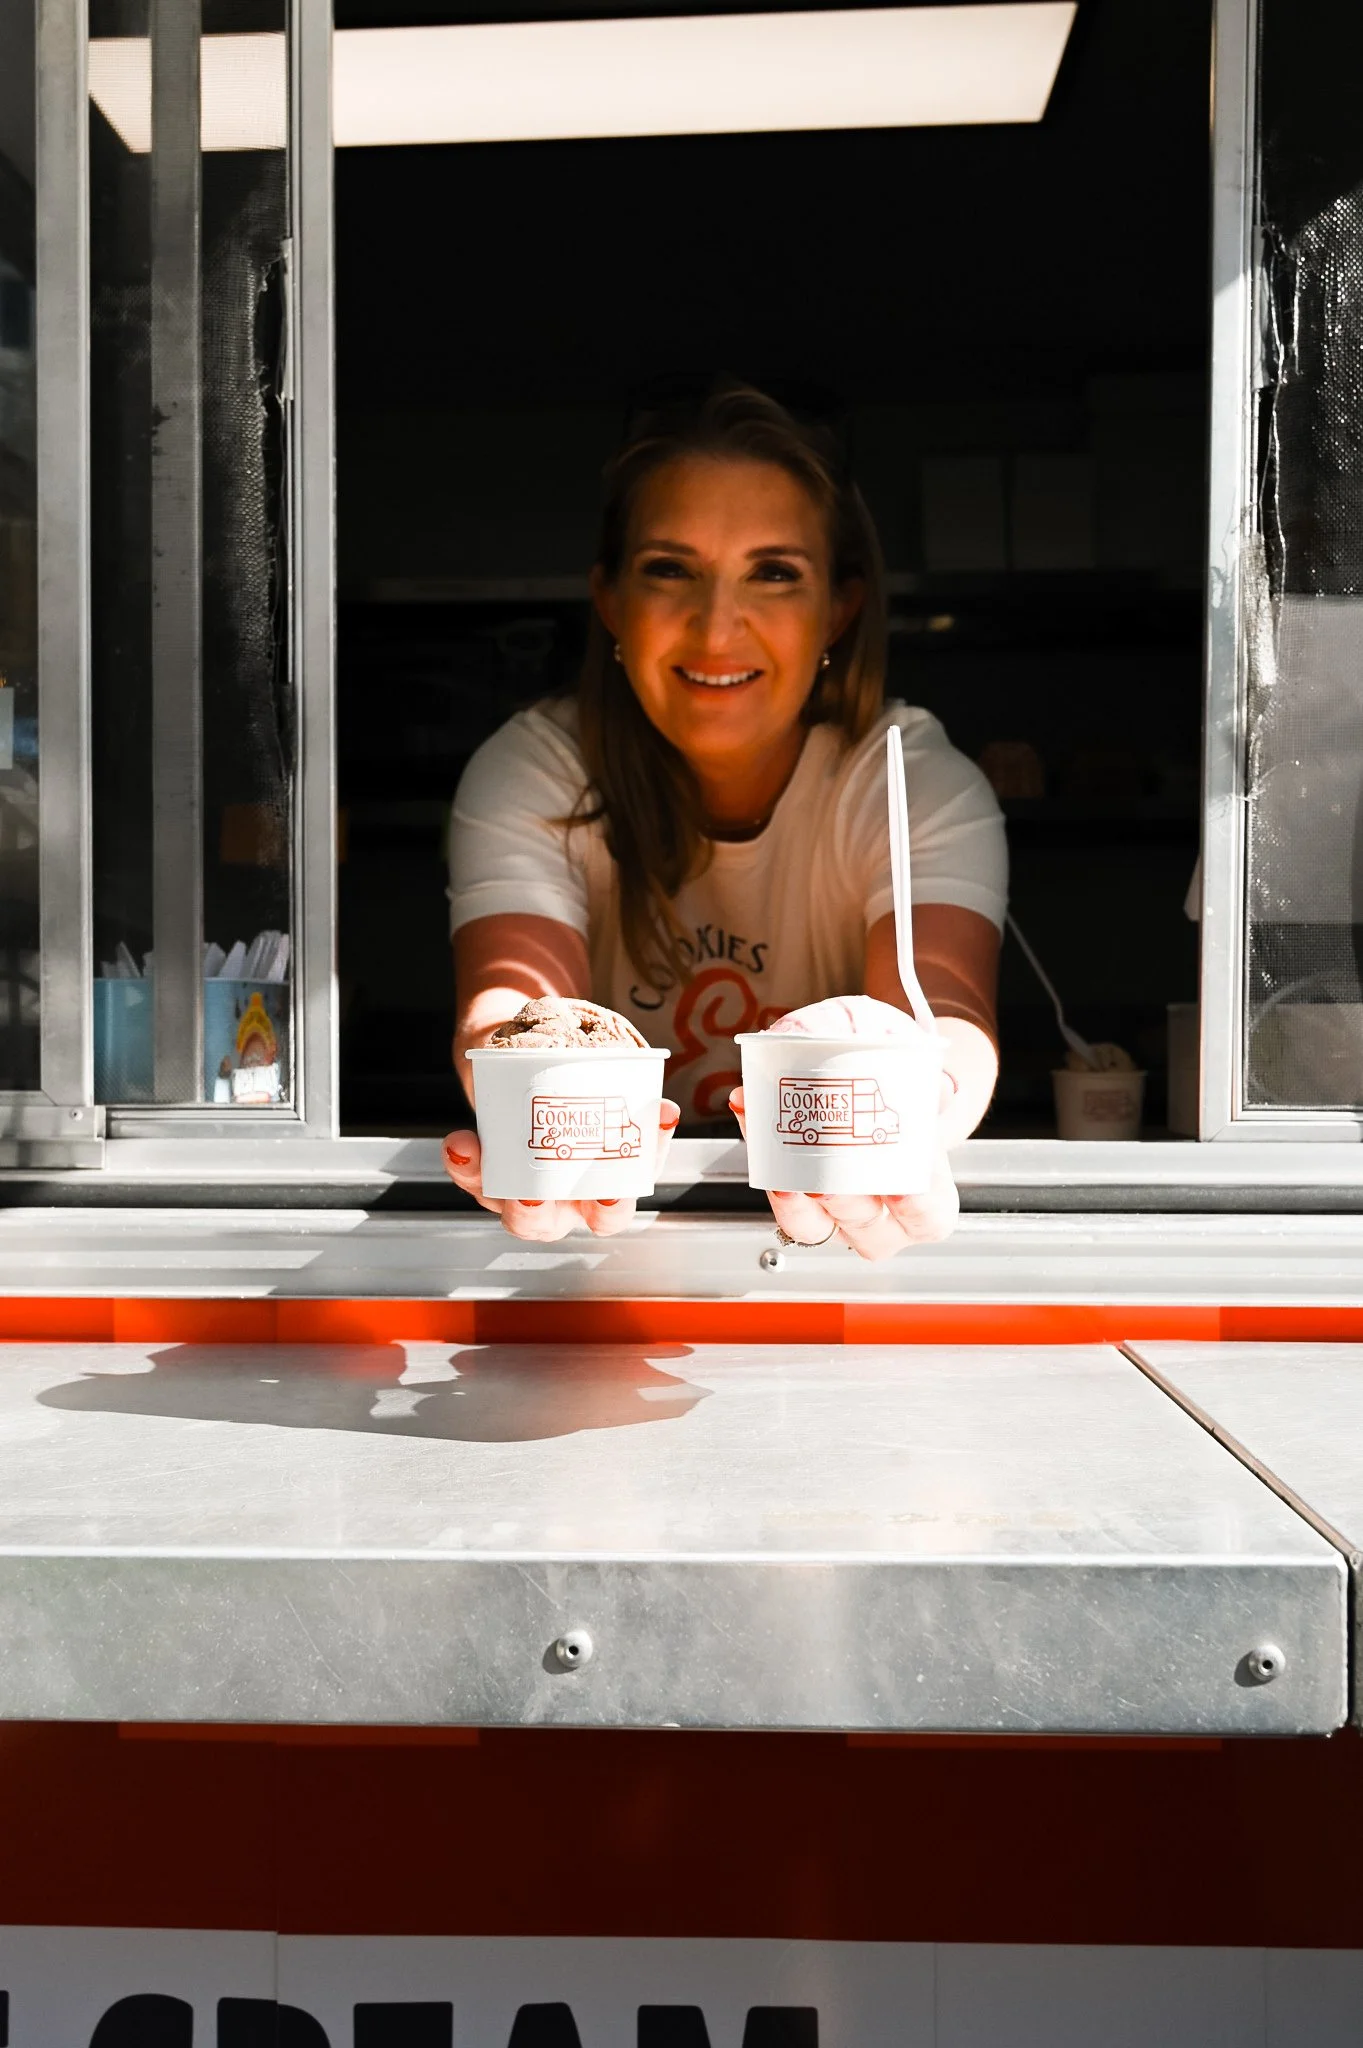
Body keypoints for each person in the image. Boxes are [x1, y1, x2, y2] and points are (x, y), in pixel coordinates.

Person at [444, 383, 1007, 1259]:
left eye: (773, 574)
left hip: (836, 1275)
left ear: (839, 609)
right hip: (585, 1274)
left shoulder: (909, 781)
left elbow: (945, 1021)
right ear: (609, 600)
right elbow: (515, 1005)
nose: (716, 627)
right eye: (670, 570)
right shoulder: (534, 768)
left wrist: (911, 1118)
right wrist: (524, 1102)